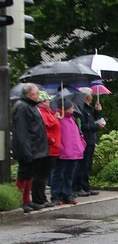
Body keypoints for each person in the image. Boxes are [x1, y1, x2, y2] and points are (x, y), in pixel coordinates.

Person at [12, 83, 49, 212]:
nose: (39, 96)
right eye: (37, 93)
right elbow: (21, 131)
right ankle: (20, 201)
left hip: (35, 148)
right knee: (24, 174)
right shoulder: (22, 106)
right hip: (28, 148)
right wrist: (26, 150)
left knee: (30, 175)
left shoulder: (31, 106)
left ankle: (27, 201)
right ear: (32, 94)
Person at [52, 99, 86, 205]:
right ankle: (56, 195)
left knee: (69, 174)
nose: (73, 109)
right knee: (59, 174)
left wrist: (81, 144)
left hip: (74, 152)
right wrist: (61, 147)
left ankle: (67, 194)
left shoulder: (73, 119)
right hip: (63, 152)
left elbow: (77, 133)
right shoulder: (59, 118)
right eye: (71, 107)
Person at [74, 88, 105, 197]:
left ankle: (86, 186)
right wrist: (96, 126)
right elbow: (82, 126)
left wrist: (97, 112)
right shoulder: (81, 109)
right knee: (82, 165)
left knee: (88, 165)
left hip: (91, 139)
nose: (92, 97)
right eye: (91, 95)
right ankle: (79, 187)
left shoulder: (89, 109)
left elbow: (92, 120)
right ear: (87, 96)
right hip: (85, 140)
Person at [35, 90, 61, 208]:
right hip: (48, 147)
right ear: (43, 101)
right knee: (41, 175)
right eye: (47, 100)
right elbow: (44, 128)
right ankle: (39, 198)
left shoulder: (48, 112)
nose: (50, 101)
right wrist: (51, 140)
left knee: (44, 175)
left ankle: (42, 198)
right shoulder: (41, 112)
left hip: (53, 148)